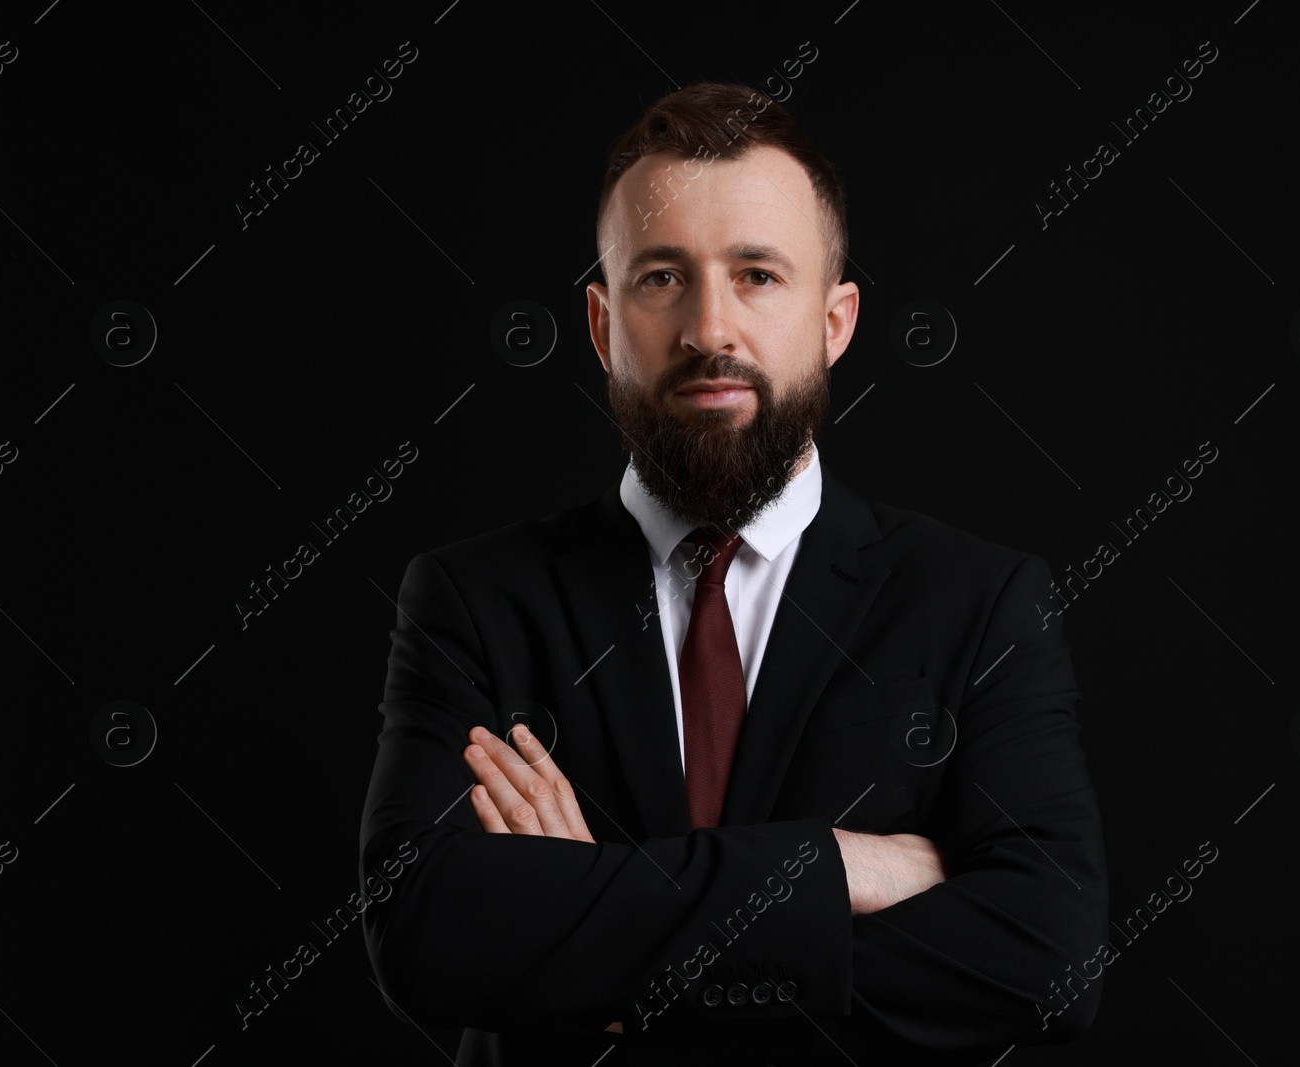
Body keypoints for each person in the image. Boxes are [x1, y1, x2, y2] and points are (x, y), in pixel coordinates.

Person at [360, 81, 1107, 1066]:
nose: (710, 328)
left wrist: (596, 923)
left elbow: (1047, 959)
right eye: (662, 277)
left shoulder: (980, 601)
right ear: (600, 323)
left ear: (835, 321)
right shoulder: (476, 599)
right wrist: (834, 867)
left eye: (757, 274)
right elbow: (426, 934)